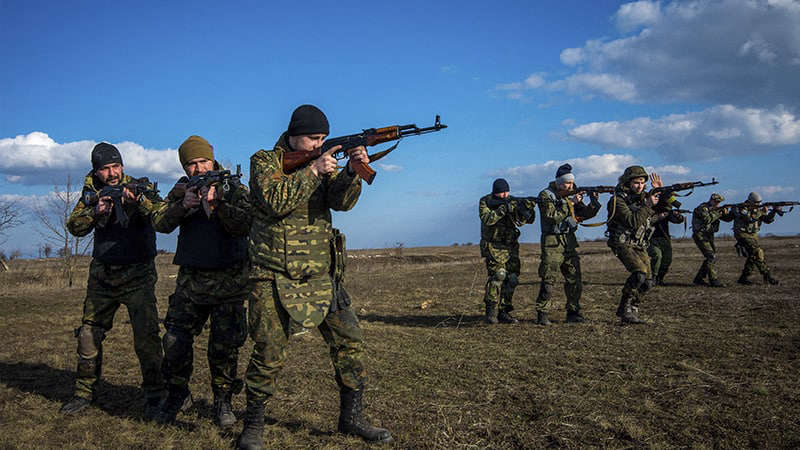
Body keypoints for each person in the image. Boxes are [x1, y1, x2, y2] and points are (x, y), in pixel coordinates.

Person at [237, 105, 392, 449]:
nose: (317, 144)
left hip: (322, 274)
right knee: (268, 353)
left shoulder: (322, 161)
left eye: (322, 139)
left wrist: (352, 172)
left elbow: (342, 203)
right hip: (273, 276)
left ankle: (351, 419)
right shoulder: (264, 161)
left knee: (350, 344)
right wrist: (314, 170)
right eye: (312, 138)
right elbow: (275, 200)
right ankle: (253, 427)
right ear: (293, 134)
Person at [151, 135, 250, 427]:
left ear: (213, 159)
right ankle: (177, 394)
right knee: (175, 340)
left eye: (203, 161)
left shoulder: (233, 186)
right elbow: (159, 223)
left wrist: (218, 203)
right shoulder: (181, 189)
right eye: (191, 164)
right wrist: (183, 205)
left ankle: (223, 401)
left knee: (225, 346)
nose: (198, 168)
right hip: (191, 282)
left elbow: (245, 224)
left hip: (229, 280)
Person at [60, 142, 165, 418]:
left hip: (138, 275)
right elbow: (74, 226)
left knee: (147, 338)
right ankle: (84, 393)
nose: (112, 173)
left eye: (116, 166)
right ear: (96, 171)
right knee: (88, 335)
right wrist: (97, 212)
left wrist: (138, 201)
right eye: (105, 169)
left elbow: (162, 215)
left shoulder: (139, 187)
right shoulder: (92, 194)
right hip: (103, 276)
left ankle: (155, 394)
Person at [534, 163, 601, 325]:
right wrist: (570, 203)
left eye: (571, 183)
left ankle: (573, 312)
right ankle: (542, 313)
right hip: (552, 242)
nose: (570, 186)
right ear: (558, 182)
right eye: (566, 183)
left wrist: (593, 203)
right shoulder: (545, 195)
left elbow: (584, 214)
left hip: (569, 242)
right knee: (549, 278)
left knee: (574, 278)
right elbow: (552, 216)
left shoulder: (571, 195)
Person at [605, 166, 663, 324]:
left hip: (639, 243)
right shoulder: (618, 200)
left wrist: (660, 192)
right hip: (622, 242)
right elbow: (632, 221)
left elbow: (664, 210)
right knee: (639, 273)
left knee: (648, 281)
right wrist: (647, 205)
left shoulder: (645, 197)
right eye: (636, 183)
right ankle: (625, 309)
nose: (640, 186)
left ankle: (633, 308)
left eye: (643, 183)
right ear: (627, 182)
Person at [478, 178, 534, 324]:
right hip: (493, 246)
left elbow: (524, 221)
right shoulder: (485, 201)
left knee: (513, 278)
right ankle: (491, 311)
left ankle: (504, 310)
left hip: (511, 247)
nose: (504, 195)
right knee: (498, 275)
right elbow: (487, 219)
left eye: (506, 192)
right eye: (501, 192)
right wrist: (503, 209)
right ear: (495, 192)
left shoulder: (513, 201)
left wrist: (527, 208)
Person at [732, 192, 781, 285]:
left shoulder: (757, 209)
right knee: (757, 252)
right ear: (750, 201)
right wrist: (762, 211)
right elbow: (749, 219)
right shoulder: (742, 208)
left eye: (759, 202)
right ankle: (768, 277)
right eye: (756, 202)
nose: (758, 204)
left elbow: (767, 220)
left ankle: (743, 278)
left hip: (753, 236)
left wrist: (774, 211)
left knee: (753, 256)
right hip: (742, 235)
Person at [691, 193, 734, 287]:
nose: (718, 204)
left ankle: (699, 278)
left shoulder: (715, 210)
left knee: (710, 257)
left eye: (719, 202)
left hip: (708, 236)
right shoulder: (702, 208)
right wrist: (720, 212)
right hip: (700, 236)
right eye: (717, 202)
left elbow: (727, 219)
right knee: (711, 256)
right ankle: (713, 280)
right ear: (711, 200)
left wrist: (732, 212)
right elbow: (708, 219)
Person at [647, 195, 686, 286]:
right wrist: (658, 217)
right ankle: (653, 278)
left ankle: (660, 279)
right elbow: (646, 221)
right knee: (657, 256)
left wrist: (678, 215)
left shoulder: (667, 212)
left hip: (665, 239)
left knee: (667, 260)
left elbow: (677, 220)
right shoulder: (649, 210)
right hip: (652, 239)